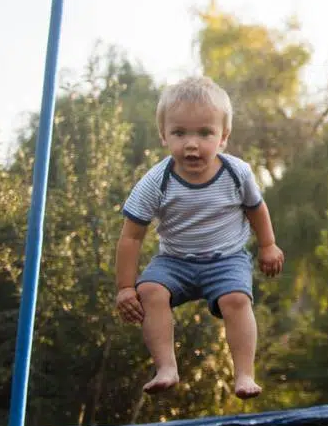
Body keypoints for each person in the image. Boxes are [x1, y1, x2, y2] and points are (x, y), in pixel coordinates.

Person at [114, 76, 284, 398]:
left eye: (205, 133)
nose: (191, 144)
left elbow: (256, 209)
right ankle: (166, 367)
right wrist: (125, 288)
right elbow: (131, 237)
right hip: (175, 260)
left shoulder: (237, 173)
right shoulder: (156, 181)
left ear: (223, 137)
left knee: (236, 299)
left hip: (226, 258)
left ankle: (245, 375)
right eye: (179, 133)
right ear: (164, 136)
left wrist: (268, 245)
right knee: (149, 289)